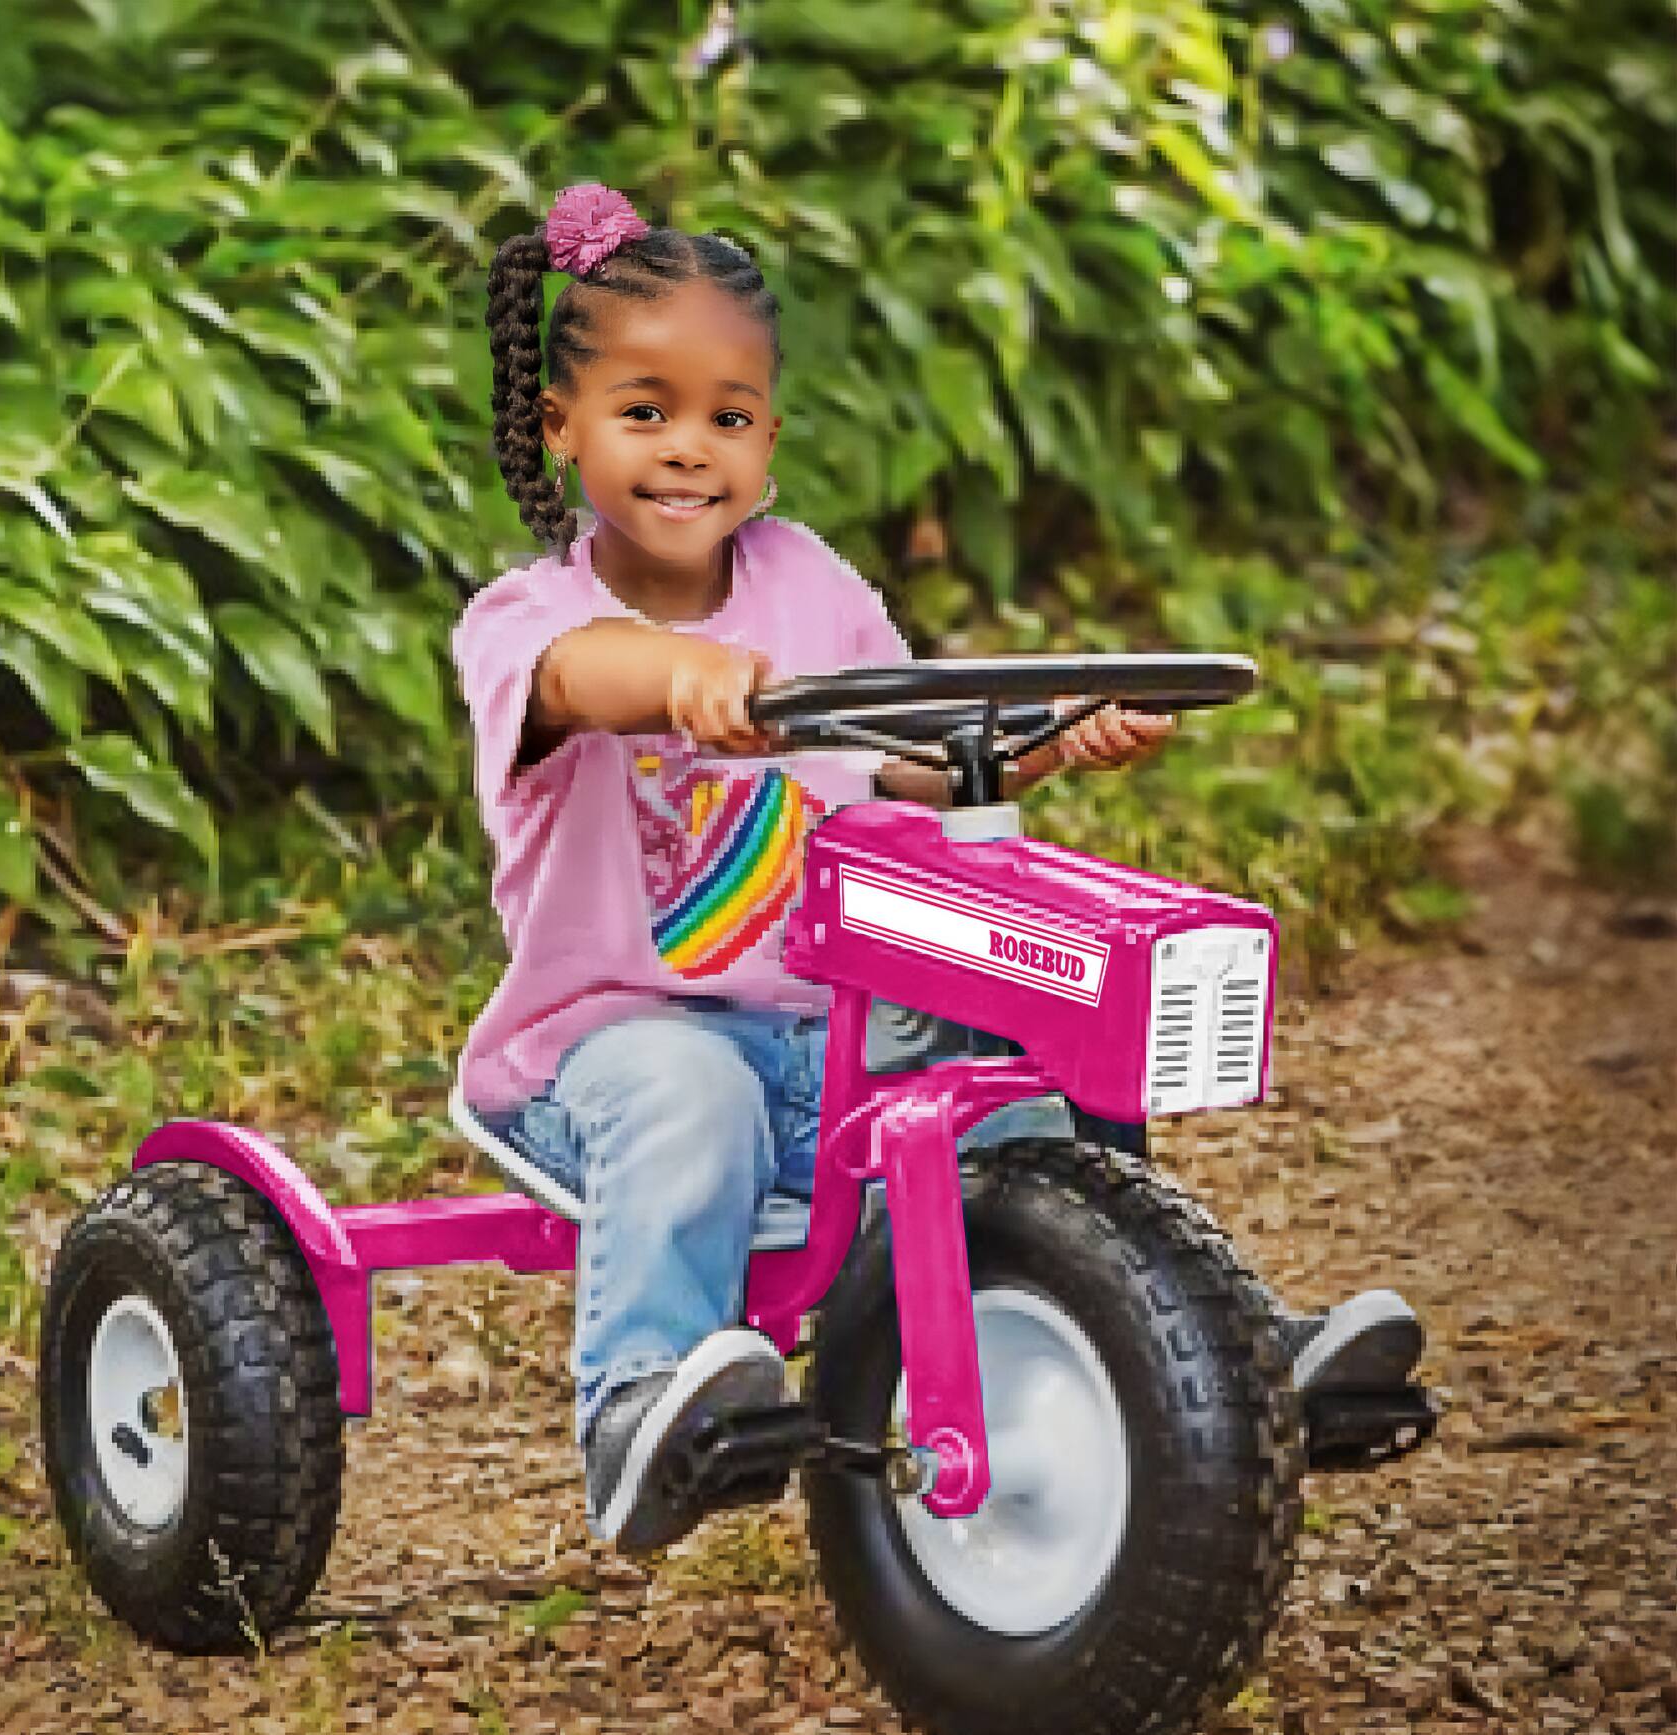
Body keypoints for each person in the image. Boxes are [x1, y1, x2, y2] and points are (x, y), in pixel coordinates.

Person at [455, 183, 1421, 1555]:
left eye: (726, 417)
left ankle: (1207, 1341)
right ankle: (641, 1405)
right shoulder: (533, 614)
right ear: (563, 430)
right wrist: (679, 678)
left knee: (1015, 1080)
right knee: (688, 1097)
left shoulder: (807, 581)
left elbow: (906, 750)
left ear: (769, 439)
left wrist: (1041, 746)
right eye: (645, 411)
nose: (689, 451)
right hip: (609, 1043)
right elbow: (578, 680)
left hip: (836, 1036)